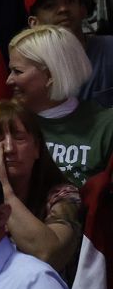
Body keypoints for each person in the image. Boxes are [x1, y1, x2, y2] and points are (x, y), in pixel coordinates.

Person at [0, 99, 84, 276]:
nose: (9, 148)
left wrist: (3, 188)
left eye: (19, 138)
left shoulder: (64, 196)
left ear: (37, 149)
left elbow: (48, 255)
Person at [7, 24, 113, 185]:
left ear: (50, 75)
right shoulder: (5, 122)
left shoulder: (106, 126)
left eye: (17, 71)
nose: (8, 80)